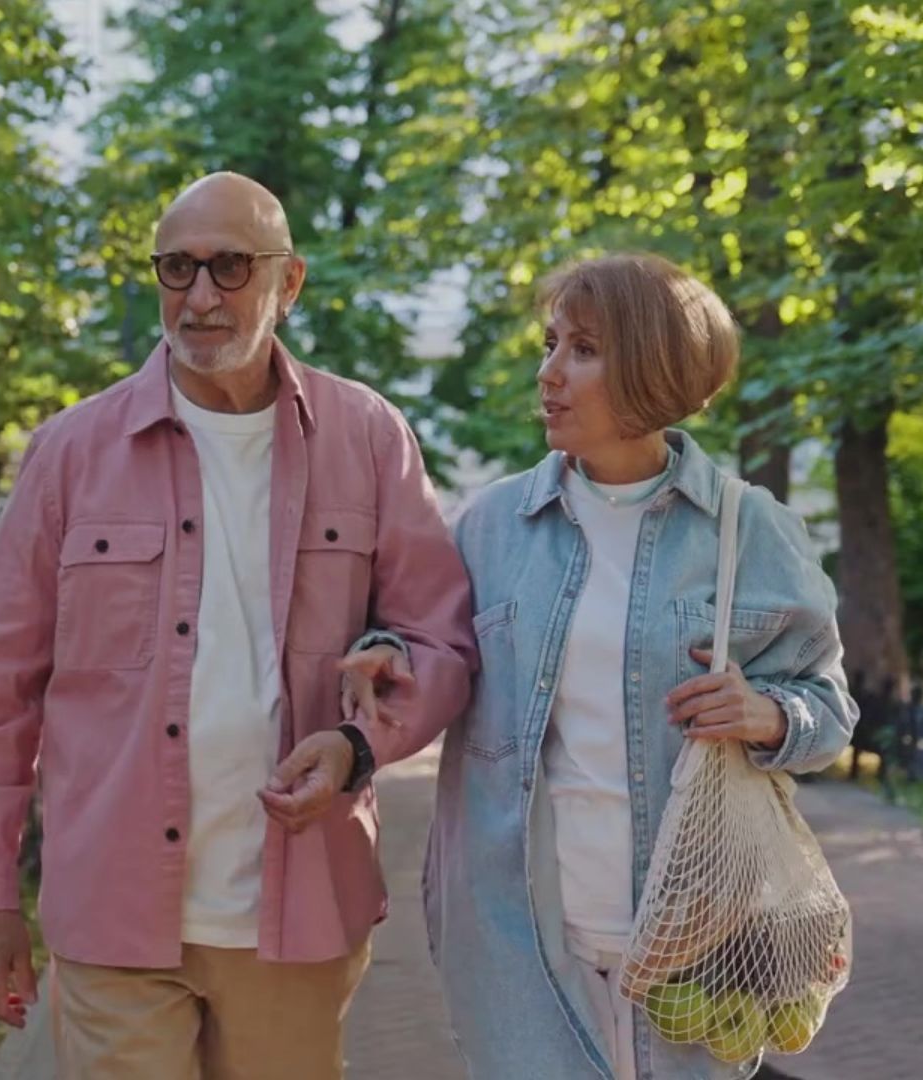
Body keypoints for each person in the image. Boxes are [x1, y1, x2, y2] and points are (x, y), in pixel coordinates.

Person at [0, 171, 476, 1079]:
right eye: (175, 269)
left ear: (289, 281)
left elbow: (442, 641)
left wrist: (356, 745)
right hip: (114, 916)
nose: (198, 297)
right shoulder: (70, 454)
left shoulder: (369, 438)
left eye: (230, 268)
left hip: (298, 912)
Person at [351, 252, 856, 1079]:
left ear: (656, 365)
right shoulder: (495, 526)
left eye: (582, 349)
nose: (550, 373)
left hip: (696, 935)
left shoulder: (747, 528)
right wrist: (386, 654)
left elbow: (828, 708)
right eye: (549, 345)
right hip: (519, 931)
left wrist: (768, 716)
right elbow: (433, 649)